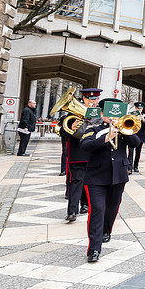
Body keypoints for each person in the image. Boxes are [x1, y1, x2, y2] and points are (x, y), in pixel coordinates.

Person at [79, 97, 141, 262]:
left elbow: (135, 143)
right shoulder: (93, 128)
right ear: (101, 113)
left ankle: (107, 230)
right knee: (97, 210)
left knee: (112, 209)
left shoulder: (124, 128)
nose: (111, 116)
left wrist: (122, 129)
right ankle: (94, 249)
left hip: (118, 176)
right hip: (96, 177)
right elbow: (85, 146)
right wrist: (106, 138)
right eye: (108, 113)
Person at [64, 88, 101, 222]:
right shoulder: (72, 112)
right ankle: (72, 211)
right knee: (77, 181)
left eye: (96, 99)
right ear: (84, 99)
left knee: (89, 181)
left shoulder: (101, 114)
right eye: (90, 99)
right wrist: (71, 126)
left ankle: (85, 204)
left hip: (93, 153)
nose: (93, 102)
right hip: (78, 153)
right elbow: (62, 130)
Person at [127, 101, 145, 174]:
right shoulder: (131, 115)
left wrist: (143, 120)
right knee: (130, 152)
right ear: (135, 108)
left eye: (141, 108)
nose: (139, 109)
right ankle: (129, 167)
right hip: (132, 135)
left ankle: (136, 166)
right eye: (138, 108)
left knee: (138, 152)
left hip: (141, 136)